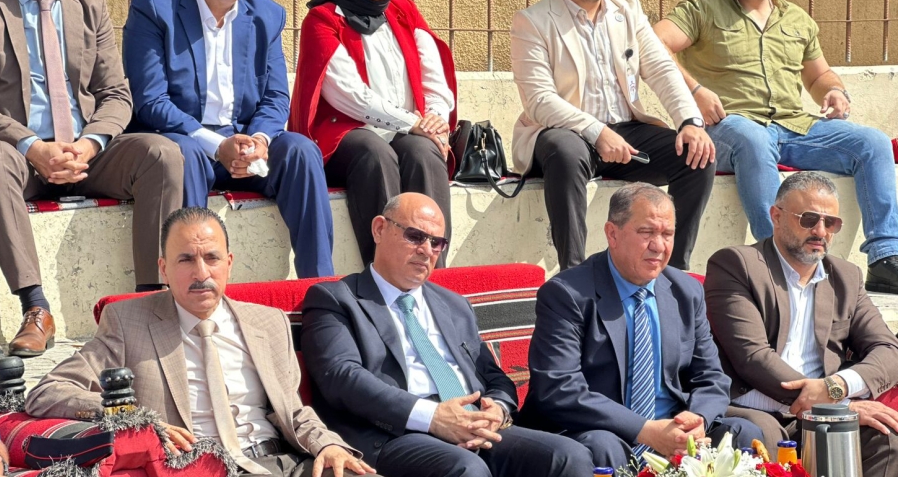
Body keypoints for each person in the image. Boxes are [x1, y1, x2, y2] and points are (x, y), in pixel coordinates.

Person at [26, 207, 375, 477]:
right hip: (199, 465)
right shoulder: (128, 322)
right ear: (164, 268)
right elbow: (47, 392)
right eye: (186, 260)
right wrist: (132, 418)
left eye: (211, 258)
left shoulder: (268, 322)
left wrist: (327, 445)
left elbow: (293, 412)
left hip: (281, 462)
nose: (202, 273)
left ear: (229, 263)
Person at [654, 0, 898, 295]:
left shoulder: (797, 19)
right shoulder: (702, 9)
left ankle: (885, 257)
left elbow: (818, 75)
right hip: (729, 125)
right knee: (753, 139)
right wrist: (696, 91)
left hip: (791, 126)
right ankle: (780, 259)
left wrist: (834, 90)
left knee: (873, 143)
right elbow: (656, 43)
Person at [0, 0, 183, 357]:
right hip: (20, 156)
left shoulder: (89, 5)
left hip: (87, 153)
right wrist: (31, 145)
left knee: (162, 153)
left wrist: (90, 143)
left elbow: (116, 94)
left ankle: (150, 302)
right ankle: (35, 308)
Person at [301, 193, 594, 477]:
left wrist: (498, 409)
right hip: (394, 433)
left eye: (436, 242)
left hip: (472, 423)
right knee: (466, 468)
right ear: (379, 229)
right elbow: (342, 377)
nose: (426, 250)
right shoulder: (336, 299)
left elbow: (493, 375)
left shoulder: (454, 304)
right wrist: (433, 417)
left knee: (569, 456)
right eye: (415, 236)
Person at [123, 0, 334, 279]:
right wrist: (217, 145)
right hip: (186, 138)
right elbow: (151, 100)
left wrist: (259, 141)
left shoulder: (267, 15)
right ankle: (192, 287)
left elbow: (276, 97)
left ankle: (320, 285)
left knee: (301, 151)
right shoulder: (155, 6)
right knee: (184, 156)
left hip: (244, 142)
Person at [510, 0, 715, 273]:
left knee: (697, 156)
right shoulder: (533, 21)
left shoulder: (628, 12)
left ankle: (672, 272)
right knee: (565, 150)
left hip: (626, 133)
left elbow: (662, 69)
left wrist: (690, 121)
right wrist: (597, 132)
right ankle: (573, 274)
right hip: (567, 133)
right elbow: (539, 100)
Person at [519, 183, 762, 470]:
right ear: (612, 234)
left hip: (672, 426)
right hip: (597, 429)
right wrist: (645, 430)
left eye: (667, 234)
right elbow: (559, 387)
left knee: (743, 432)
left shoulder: (686, 292)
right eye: (647, 232)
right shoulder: (567, 294)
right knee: (603, 445)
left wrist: (697, 420)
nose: (659, 246)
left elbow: (711, 377)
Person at [704, 172, 898, 477]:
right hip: (754, 408)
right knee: (763, 436)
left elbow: (888, 349)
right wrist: (836, 407)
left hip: (824, 412)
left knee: (887, 436)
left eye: (830, 222)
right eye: (808, 219)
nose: (820, 231)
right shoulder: (737, 264)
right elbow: (752, 357)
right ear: (776, 216)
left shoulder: (846, 276)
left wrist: (836, 388)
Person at [290, 0, 456, 268]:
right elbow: (348, 94)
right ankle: (384, 270)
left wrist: (436, 118)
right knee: (375, 151)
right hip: (347, 137)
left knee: (423, 151)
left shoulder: (403, 11)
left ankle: (434, 272)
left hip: (408, 131)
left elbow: (433, 76)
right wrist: (412, 122)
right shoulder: (323, 19)